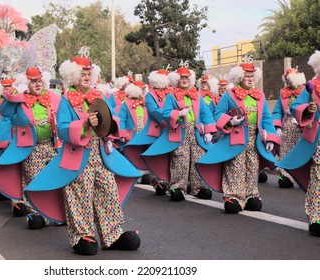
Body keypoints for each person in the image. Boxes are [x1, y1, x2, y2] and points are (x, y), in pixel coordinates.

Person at [24, 49, 141, 255]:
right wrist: (85, 124)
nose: (86, 78)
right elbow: (62, 128)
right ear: (73, 76)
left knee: (108, 191)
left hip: (102, 154)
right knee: (80, 195)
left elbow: (115, 121)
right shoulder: (66, 100)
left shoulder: (101, 96)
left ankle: (112, 234)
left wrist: (110, 124)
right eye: (82, 74)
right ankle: (82, 236)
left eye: (89, 74)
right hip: (78, 156)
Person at [196, 58, 280, 213]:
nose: (250, 79)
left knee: (252, 166)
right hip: (236, 136)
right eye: (247, 76)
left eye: (251, 76)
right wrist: (231, 121)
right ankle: (233, 196)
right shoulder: (229, 95)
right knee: (235, 167)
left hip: (255, 138)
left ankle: (250, 195)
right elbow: (217, 113)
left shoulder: (259, 95)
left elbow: (266, 118)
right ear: (239, 77)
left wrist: (270, 137)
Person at [0, 67, 61, 230]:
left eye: (39, 81)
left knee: (54, 179)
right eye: (33, 81)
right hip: (30, 147)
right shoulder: (19, 100)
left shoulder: (52, 98)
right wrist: (13, 94)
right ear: (26, 84)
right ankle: (36, 214)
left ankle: (55, 213)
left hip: (51, 146)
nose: (37, 84)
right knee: (34, 180)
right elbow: (5, 112)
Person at [142, 65, 217, 202]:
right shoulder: (171, 96)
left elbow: (205, 114)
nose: (184, 80)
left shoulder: (197, 96)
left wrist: (209, 131)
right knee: (180, 160)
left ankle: (198, 187)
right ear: (177, 79)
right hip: (179, 131)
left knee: (198, 158)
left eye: (186, 77)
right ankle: (177, 187)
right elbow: (165, 113)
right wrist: (177, 114)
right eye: (181, 77)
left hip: (196, 132)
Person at [277, 50, 320, 237]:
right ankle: (316, 218)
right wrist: (307, 108)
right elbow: (295, 107)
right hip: (317, 138)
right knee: (318, 179)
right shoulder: (312, 87)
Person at [272, 67, 306, 188]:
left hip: (303, 127)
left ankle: (305, 175)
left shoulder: (306, 92)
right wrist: (277, 127)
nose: (287, 82)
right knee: (285, 151)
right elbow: (276, 112)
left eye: (289, 79)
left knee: (303, 152)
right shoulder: (283, 93)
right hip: (286, 128)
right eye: (286, 79)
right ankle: (285, 175)